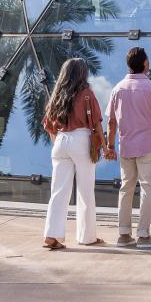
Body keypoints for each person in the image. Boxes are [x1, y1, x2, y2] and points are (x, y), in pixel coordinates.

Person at [105, 47, 151, 248]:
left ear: (128, 65)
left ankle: (124, 234)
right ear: (145, 64)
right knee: (147, 187)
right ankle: (143, 235)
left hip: (125, 147)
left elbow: (111, 122)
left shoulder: (117, 89)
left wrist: (110, 145)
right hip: (148, 147)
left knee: (126, 188)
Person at [41, 58, 106, 250]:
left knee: (58, 191)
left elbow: (48, 125)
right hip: (81, 140)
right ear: (82, 73)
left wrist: (60, 142)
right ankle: (87, 237)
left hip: (61, 142)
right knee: (85, 190)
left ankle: (51, 235)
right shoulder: (86, 94)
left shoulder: (58, 94)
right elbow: (96, 123)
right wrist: (105, 146)